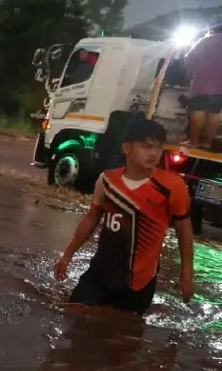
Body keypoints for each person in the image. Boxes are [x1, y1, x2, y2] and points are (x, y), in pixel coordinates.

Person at [54, 118, 194, 315]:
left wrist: (187, 272)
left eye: (158, 147)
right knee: (72, 319)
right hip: (99, 273)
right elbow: (91, 219)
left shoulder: (173, 187)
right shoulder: (107, 180)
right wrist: (67, 255)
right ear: (126, 147)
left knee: (124, 337)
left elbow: (184, 231)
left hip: (138, 282)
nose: (154, 153)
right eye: (146, 146)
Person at [184, 23, 222, 149]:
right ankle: (207, 143)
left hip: (202, 84)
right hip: (220, 87)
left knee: (198, 111)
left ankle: (193, 142)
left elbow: (189, 60)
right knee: (214, 113)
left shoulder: (204, 41)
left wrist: (194, 69)